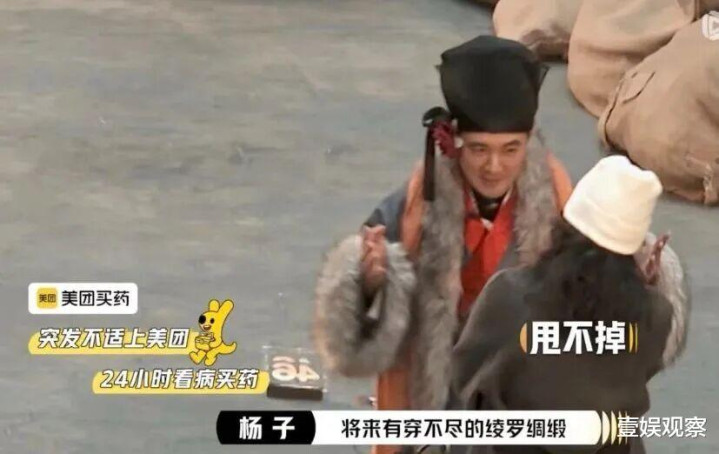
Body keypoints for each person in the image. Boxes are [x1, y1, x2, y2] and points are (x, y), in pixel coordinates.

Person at [313, 35, 572, 454]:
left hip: (517, 377)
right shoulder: (421, 201)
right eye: (479, 149)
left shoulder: (561, 201)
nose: (494, 166)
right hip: (438, 374)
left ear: (529, 144)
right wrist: (371, 278)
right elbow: (362, 307)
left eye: (510, 150)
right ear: (454, 143)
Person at [450, 155, 690, 454]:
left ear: (564, 228)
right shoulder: (656, 313)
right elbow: (638, 368)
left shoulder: (510, 295)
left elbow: (464, 376)